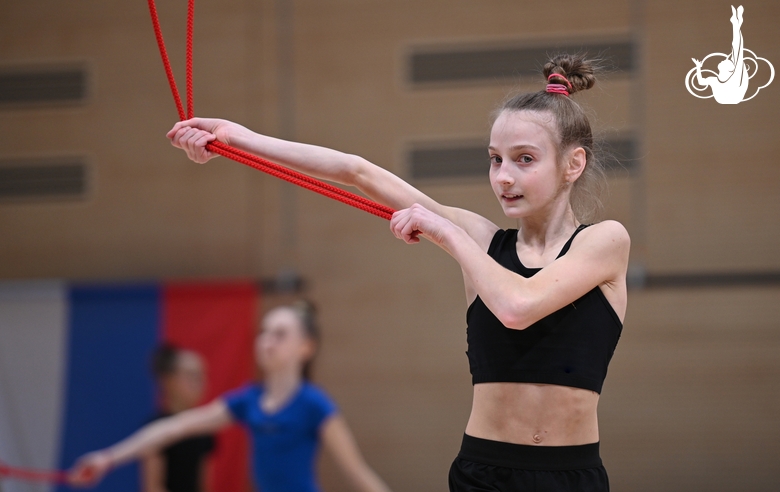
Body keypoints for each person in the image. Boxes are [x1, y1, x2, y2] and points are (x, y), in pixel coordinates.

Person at [165, 53, 629, 492]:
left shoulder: (605, 241)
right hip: (483, 471)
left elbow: (518, 305)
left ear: (574, 164)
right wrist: (234, 137)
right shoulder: (484, 240)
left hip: (571, 474)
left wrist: (443, 231)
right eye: (495, 159)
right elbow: (356, 171)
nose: (503, 177)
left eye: (524, 159)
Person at [68, 303, 393, 492]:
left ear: (305, 348)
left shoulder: (314, 405)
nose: (266, 340)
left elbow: (357, 472)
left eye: (279, 334)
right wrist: (108, 458)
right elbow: (173, 428)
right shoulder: (246, 401)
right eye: (263, 332)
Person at [144, 344, 214, 492]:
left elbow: (204, 484)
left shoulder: (205, 429)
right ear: (169, 381)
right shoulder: (155, 427)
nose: (199, 382)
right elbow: (153, 486)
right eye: (191, 375)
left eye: (202, 375)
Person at [692, 5, 748, 104]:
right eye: (728, 61)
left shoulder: (728, 78)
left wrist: (698, 67)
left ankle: (736, 23)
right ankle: (736, 23)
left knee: (737, 51)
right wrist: (698, 67)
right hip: (731, 97)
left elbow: (701, 82)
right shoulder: (718, 79)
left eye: (726, 61)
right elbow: (701, 82)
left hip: (732, 96)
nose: (724, 59)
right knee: (737, 52)